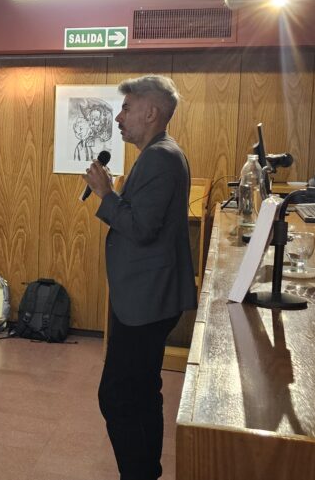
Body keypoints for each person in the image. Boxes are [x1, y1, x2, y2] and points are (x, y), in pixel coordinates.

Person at [81, 75, 197, 480]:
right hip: (145, 296)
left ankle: (139, 473)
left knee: (116, 396)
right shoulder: (159, 153)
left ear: (151, 112)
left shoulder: (160, 157)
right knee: (143, 390)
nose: (118, 117)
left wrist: (105, 194)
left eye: (127, 108)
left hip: (145, 300)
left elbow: (143, 228)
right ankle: (147, 471)